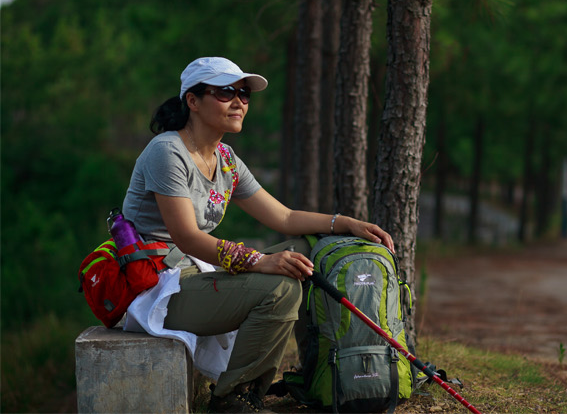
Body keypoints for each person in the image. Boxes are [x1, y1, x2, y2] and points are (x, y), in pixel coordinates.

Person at [121, 53, 395, 413]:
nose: (238, 101)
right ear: (193, 101)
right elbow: (186, 237)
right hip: (156, 287)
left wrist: (345, 224)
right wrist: (259, 260)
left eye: (244, 94)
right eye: (225, 92)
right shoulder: (167, 152)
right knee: (280, 287)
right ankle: (234, 398)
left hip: (193, 274)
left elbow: (282, 217)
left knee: (311, 248)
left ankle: (323, 367)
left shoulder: (226, 158)